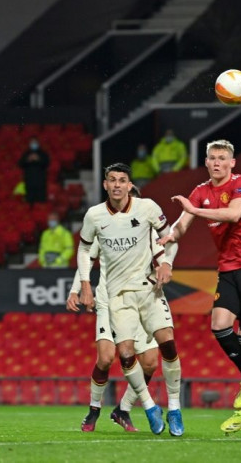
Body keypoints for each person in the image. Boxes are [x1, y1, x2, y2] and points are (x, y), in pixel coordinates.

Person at [158, 139, 241, 433]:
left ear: (232, 163)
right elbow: (181, 226)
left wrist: (194, 212)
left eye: (222, 158)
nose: (217, 163)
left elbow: (234, 214)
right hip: (228, 268)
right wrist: (165, 242)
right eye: (212, 158)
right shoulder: (200, 191)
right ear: (207, 162)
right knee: (219, 326)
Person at [77, 163, 184, 436]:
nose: (116, 185)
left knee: (163, 349)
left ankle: (172, 408)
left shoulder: (147, 209)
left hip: (149, 291)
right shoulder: (95, 216)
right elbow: (85, 250)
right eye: (111, 180)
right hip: (115, 296)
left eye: (122, 180)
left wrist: (167, 264)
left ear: (129, 185)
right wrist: (83, 286)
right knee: (115, 354)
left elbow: (168, 238)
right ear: (105, 185)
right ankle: (144, 408)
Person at [67, 185, 160, 432]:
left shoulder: (153, 235)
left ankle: (123, 409)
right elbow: (86, 257)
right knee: (106, 358)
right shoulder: (107, 231)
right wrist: (76, 289)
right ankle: (94, 409)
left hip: (142, 299)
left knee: (150, 362)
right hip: (111, 300)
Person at [17, 137, 50, 204]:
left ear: (38, 143)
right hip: (29, 181)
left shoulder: (43, 153)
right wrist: (28, 160)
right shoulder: (26, 154)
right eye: (32, 143)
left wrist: (38, 159)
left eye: (35, 142)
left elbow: (47, 163)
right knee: (29, 201)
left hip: (40, 182)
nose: (33, 144)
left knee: (40, 201)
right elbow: (20, 164)